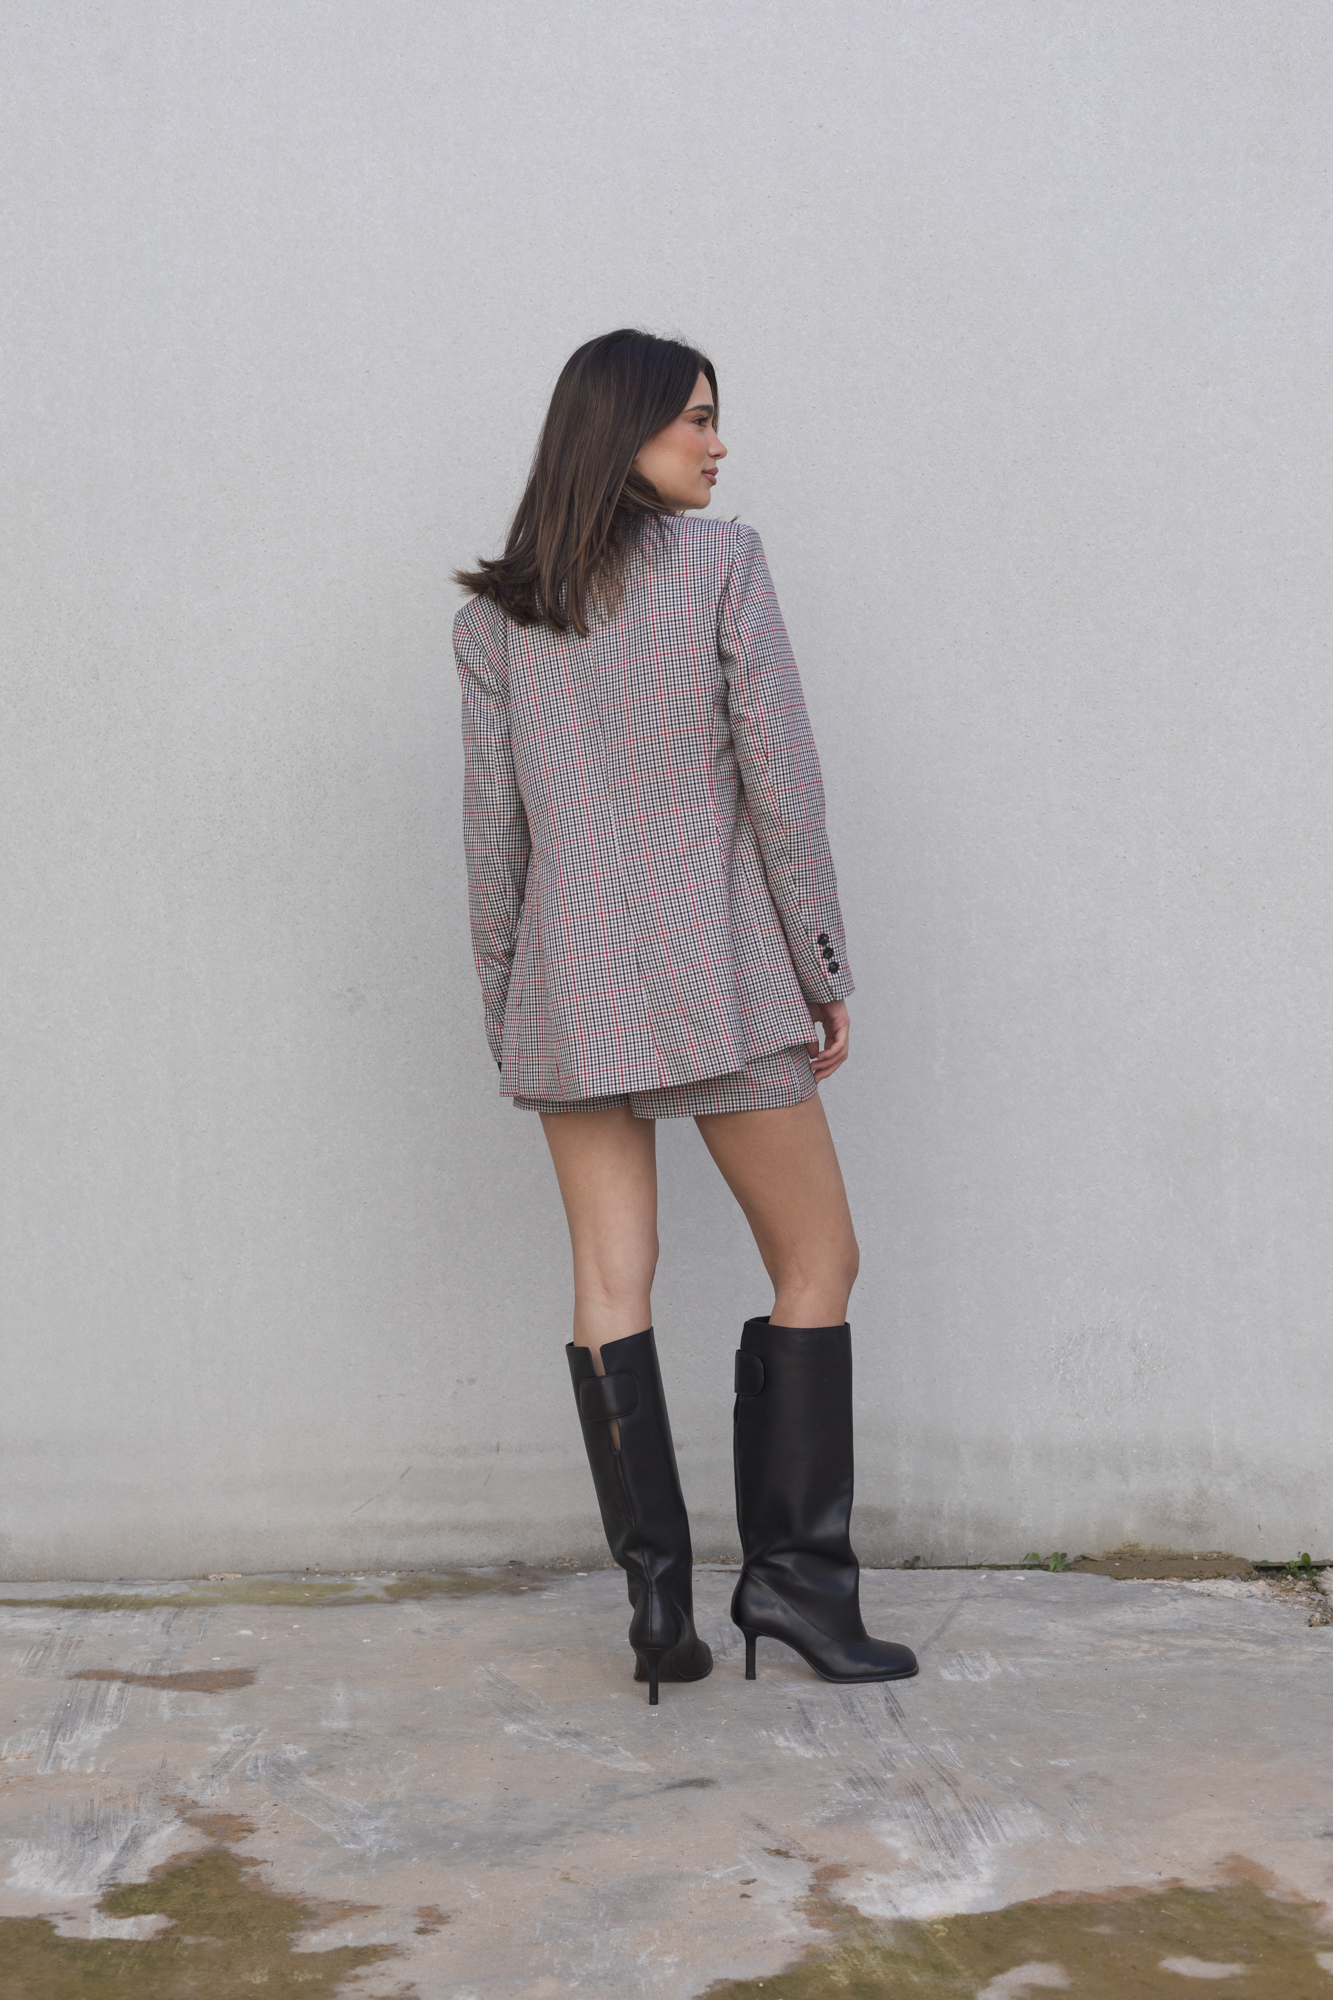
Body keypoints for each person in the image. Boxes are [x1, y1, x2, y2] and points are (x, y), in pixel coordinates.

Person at [453, 329, 917, 1703]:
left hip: (570, 989)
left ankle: (659, 1607)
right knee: (817, 1260)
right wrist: (819, 963)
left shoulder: (496, 621)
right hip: (724, 979)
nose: (718, 444)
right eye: (695, 420)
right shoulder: (722, 567)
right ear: (625, 431)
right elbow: (782, 780)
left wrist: (511, 1002)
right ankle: (795, 1589)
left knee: (610, 1282)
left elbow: (493, 837)